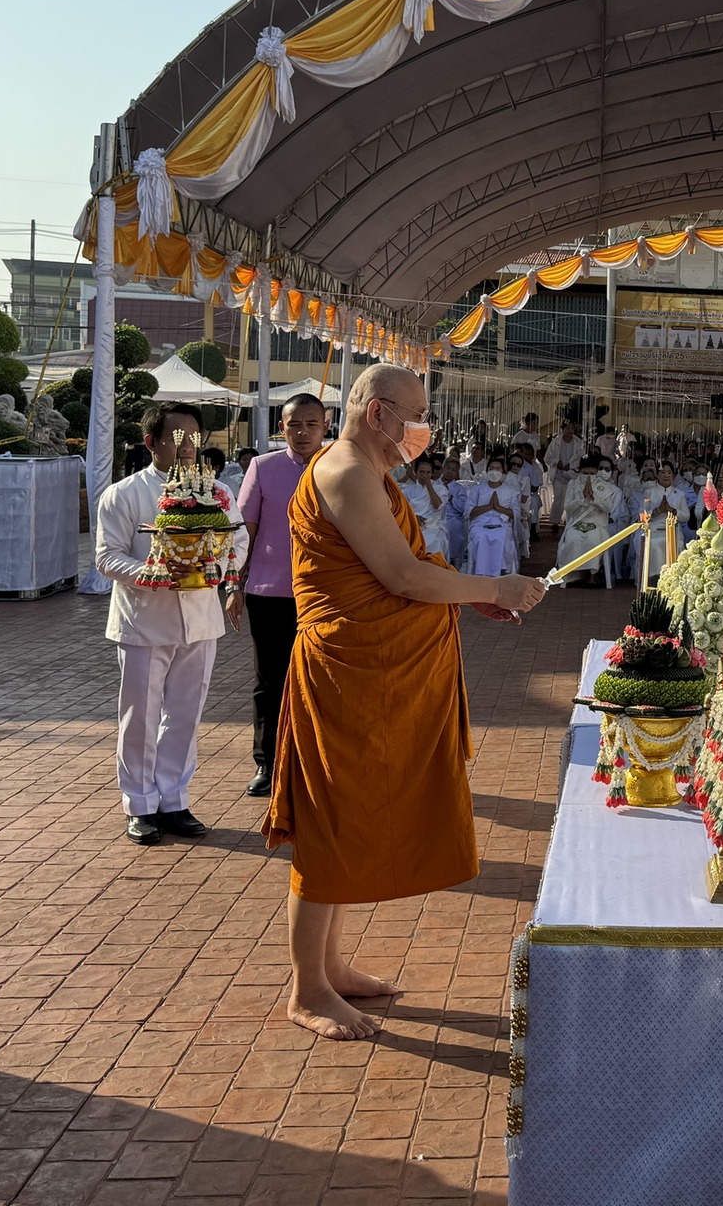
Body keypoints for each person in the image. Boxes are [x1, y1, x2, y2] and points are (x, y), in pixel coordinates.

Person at [263, 363, 547, 1040]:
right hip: (345, 670)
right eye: (416, 417)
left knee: (353, 814)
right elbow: (401, 575)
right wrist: (495, 587)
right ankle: (307, 989)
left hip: (374, 669)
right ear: (378, 414)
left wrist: (476, 596)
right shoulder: (346, 473)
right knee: (332, 823)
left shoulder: (371, 470)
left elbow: (404, 572)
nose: (424, 432)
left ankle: (330, 965)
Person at [95, 403, 247, 843]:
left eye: (194, 438)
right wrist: (154, 572)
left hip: (200, 617)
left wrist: (218, 567)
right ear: (152, 443)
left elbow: (237, 538)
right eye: (177, 437)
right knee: (139, 714)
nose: (187, 447)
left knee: (184, 713)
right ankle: (139, 803)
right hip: (144, 619)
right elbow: (106, 557)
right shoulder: (123, 494)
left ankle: (174, 799)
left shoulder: (217, 492)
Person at [235, 394, 329, 799]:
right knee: (270, 681)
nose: (303, 432)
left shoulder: (341, 468)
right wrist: (233, 586)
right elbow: (243, 535)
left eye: (311, 424)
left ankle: (320, 764)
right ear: (282, 427)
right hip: (269, 592)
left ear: (326, 426)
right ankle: (268, 764)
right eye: (295, 424)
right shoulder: (263, 467)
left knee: (324, 681)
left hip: (327, 594)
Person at [559, 454, 622, 586]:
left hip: (597, 523)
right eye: (585, 473)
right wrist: (582, 499)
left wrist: (594, 498)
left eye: (592, 473)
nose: (588, 476)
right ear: (580, 471)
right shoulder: (573, 484)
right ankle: (572, 574)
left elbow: (608, 507)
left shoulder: (604, 486)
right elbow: (568, 507)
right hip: (577, 522)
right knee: (573, 539)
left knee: (593, 539)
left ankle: (592, 574)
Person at [464, 453, 518, 576]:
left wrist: (498, 508)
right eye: (491, 469)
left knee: (502, 538)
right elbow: (468, 511)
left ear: (503, 472)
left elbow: (516, 513)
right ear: (486, 471)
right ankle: (480, 572)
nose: (494, 472)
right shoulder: (477, 489)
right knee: (480, 537)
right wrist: (488, 507)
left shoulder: (510, 491)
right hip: (480, 523)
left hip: (502, 524)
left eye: (498, 469)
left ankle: (501, 570)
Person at [398, 455, 451, 559]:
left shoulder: (440, 489)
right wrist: (414, 517)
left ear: (432, 473)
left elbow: (438, 506)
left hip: (433, 526)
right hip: (412, 524)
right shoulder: (408, 490)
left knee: (436, 542)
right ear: (415, 472)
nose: (425, 475)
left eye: (428, 473)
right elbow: (403, 511)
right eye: (422, 472)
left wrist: (429, 486)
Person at [541, 419, 585, 531]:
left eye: (572, 428)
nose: (570, 430)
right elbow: (547, 458)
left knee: (569, 498)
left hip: (571, 475)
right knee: (558, 498)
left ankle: (568, 521)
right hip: (558, 475)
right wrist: (556, 462)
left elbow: (581, 458)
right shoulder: (555, 442)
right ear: (562, 429)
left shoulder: (578, 443)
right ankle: (555, 522)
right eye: (567, 428)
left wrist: (571, 465)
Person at [439, 456, 469, 568]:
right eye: (448, 468)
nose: (450, 472)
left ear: (457, 473)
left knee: (453, 526)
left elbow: (463, 508)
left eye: (453, 470)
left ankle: (454, 561)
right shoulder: (435, 484)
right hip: (436, 517)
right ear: (443, 469)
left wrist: (451, 498)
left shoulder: (460, 489)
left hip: (453, 518)